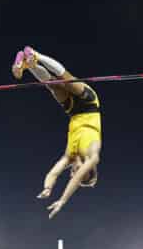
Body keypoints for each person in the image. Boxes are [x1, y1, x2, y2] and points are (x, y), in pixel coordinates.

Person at [12, 46, 102, 219]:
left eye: (74, 173)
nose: (73, 173)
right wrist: (62, 200)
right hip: (90, 106)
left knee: (54, 86)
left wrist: (47, 187)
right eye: (78, 172)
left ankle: (29, 65)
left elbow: (52, 173)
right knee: (67, 81)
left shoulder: (69, 156)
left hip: (74, 112)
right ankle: (36, 55)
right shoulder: (93, 154)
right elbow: (75, 181)